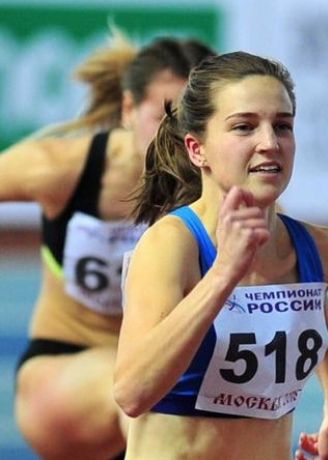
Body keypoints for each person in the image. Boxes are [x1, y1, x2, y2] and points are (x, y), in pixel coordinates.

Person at [113, 51, 328, 460]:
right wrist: (224, 273)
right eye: (244, 126)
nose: (270, 143)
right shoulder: (172, 247)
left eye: (283, 126)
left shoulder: (322, 251)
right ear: (197, 149)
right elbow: (132, 393)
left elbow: (307, 307)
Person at [0, 30, 215, 459]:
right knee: (150, 393)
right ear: (128, 109)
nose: (180, 137)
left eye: (196, 120)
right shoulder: (61, 169)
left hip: (164, 381)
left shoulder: (222, 189)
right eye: (166, 117)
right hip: (65, 371)